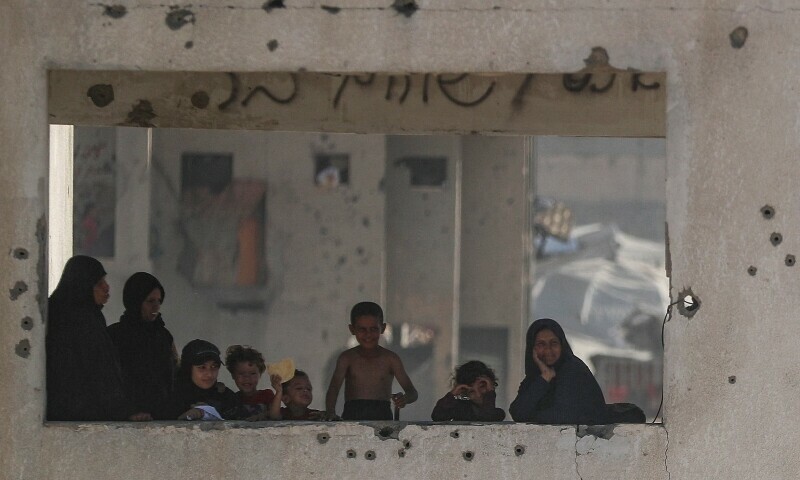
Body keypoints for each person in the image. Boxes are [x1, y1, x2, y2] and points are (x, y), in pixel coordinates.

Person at [46, 255, 150, 421]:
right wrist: (123, 410)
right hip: (80, 415)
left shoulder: (63, 312)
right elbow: (99, 369)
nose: (106, 287)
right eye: (99, 283)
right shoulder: (80, 320)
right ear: (84, 285)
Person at [325, 301, 417, 420]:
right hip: (353, 416)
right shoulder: (347, 358)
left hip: (382, 416)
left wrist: (404, 399)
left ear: (382, 328)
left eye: (373, 329)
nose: (368, 335)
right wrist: (330, 413)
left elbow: (412, 392)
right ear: (352, 329)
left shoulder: (391, 359)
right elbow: (333, 388)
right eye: (362, 329)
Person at [509, 318, 608, 424]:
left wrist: (531, 417)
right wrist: (545, 377)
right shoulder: (537, 377)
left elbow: (561, 416)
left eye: (554, 343)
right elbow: (518, 413)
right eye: (541, 344)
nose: (548, 350)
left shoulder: (573, 370)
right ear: (532, 349)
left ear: (562, 345)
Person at [107, 272, 177, 417]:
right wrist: (128, 412)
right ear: (136, 302)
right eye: (150, 301)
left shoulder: (163, 336)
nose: (156, 307)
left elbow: (173, 372)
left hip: (162, 417)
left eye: (159, 301)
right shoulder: (116, 336)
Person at [159, 339, 243, 420]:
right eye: (202, 367)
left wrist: (208, 411)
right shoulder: (170, 397)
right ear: (188, 369)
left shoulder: (226, 397)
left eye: (214, 367)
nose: (209, 374)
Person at [431, 360, 506, 422]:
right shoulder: (461, 409)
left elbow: (487, 417)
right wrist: (452, 394)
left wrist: (490, 392)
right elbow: (438, 416)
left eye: (482, 386)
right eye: (472, 391)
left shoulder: (497, 413)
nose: (478, 394)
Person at [224, 345, 280, 418]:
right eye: (241, 373)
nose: (247, 378)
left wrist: (279, 392)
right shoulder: (232, 399)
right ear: (233, 375)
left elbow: (275, 416)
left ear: (260, 374)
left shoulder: (267, 395)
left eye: (252, 373)